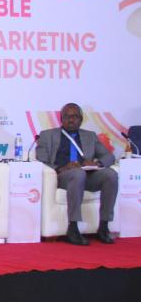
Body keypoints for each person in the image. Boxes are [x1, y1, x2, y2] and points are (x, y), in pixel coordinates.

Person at [35, 103, 118, 246]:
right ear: (61, 119)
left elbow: (108, 156)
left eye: (75, 117)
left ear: (81, 119)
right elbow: (41, 160)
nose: (71, 120)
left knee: (111, 175)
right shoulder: (47, 135)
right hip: (63, 176)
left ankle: (104, 226)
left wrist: (97, 164)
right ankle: (73, 228)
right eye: (67, 117)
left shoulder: (90, 136)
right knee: (77, 174)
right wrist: (62, 167)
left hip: (88, 176)